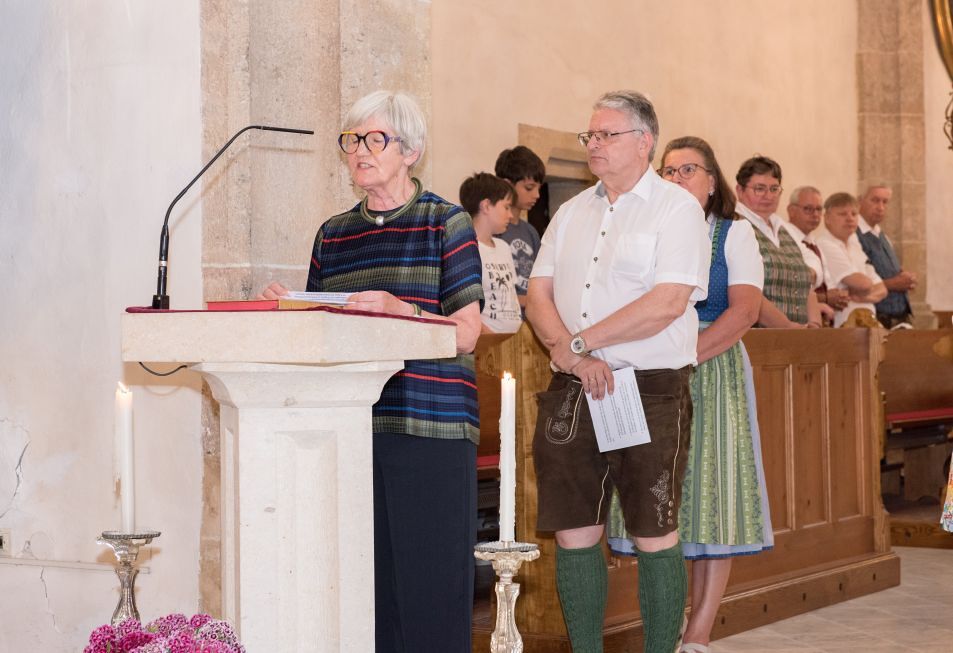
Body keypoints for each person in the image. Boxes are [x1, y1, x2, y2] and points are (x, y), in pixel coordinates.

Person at [261, 90, 483, 653]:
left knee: (430, 595)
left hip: (428, 426)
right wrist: (287, 309)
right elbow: (322, 332)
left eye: (375, 139)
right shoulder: (334, 234)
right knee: (366, 598)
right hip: (352, 430)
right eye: (352, 139)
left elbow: (466, 332)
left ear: (411, 151)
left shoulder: (445, 223)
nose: (359, 150)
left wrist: (401, 310)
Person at [526, 90, 710, 653]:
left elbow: (667, 302)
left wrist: (584, 342)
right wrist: (574, 357)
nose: (594, 145)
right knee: (574, 530)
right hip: (573, 385)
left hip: (649, 388)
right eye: (591, 135)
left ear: (644, 141)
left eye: (607, 134)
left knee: (654, 527)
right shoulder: (571, 211)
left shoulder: (676, 209)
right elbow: (538, 293)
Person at [607, 136, 773, 653]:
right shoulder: (648, 227)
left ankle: (698, 633)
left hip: (711, 365)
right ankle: (667, 621)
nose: (677, 178)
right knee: (660, 494)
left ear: (712, 182)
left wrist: (688, 353)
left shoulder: (733, 232)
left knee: (712, 497)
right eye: (669, 170)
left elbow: (745, 311)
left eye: (688, 170)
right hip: (650, 365)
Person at [735, 156, 822, 328]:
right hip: (755, 335)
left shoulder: (782, 226)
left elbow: (809, 272)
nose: (768, 196)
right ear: (740, 190)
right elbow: (746, 291)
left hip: (796, 335)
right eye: (759, 189)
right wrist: (788, 327)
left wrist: (814, 326)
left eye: (774, 189)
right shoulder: (734, 225)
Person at [459, 172, 522, 333]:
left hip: (512, 339)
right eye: (506, 207)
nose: (511, 215)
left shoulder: (504, 247)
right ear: (486, 206)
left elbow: (511, 295)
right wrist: (488, 337)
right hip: (486, 341)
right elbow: (461, 306)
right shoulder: (465, 248)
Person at [816, 192, 887, 327]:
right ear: (827, 218)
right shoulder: (825, 244)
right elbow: (863, 284)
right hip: (842, 325)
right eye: (842, 214)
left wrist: (861, 296)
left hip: (867, 322)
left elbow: (882, 289)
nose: (850, 219)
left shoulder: (855, 244)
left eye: (854, 214)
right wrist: (867, 289)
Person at [784, 186, 848, 323]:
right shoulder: (783, 239)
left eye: (819, 209)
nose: (815, 214)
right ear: (791, 211)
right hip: (795, 322)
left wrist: (837, 297)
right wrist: (825, 298)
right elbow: (787, 289)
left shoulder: (813, 242)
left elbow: (827, 282)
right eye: (808, 209)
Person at [856, 185, 915, 328]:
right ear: (860, 201)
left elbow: (886, 269)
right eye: (875, 200)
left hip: (900, 318)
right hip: (874, 319)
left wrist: (905, 278)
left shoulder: (882, 236)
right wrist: (895, 283)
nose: (880, 207)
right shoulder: (853, 235)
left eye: (885, 202)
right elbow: (856, 285)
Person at [494, 145, 545, 308]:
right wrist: (530, 301)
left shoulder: (530, 232)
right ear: (507, 185)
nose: (537, 195)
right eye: (529, 188)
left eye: (539, 188)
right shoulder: (493, 229)